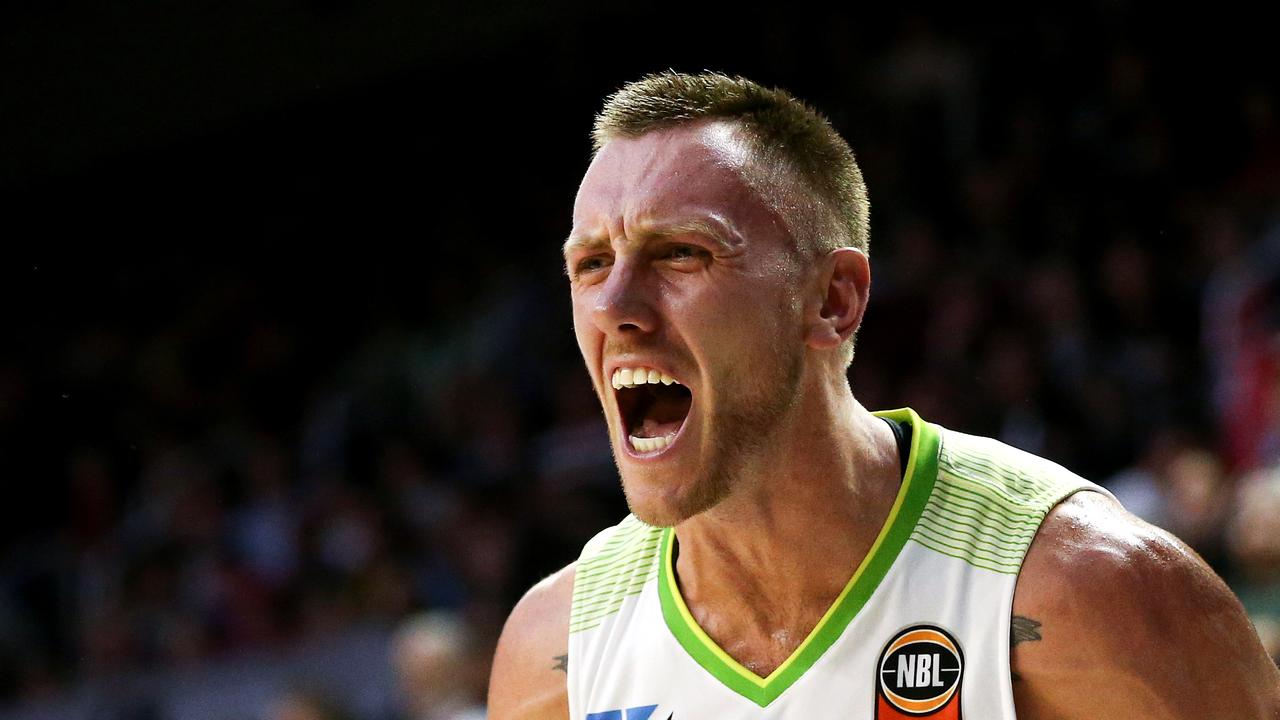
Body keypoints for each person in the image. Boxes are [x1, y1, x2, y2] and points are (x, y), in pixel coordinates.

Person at [487, 71, 1280, 719]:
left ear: (833, 301)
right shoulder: (555, 654)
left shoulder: (1085, 593)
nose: (616, 307)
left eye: (681, 253)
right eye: (590, 264)